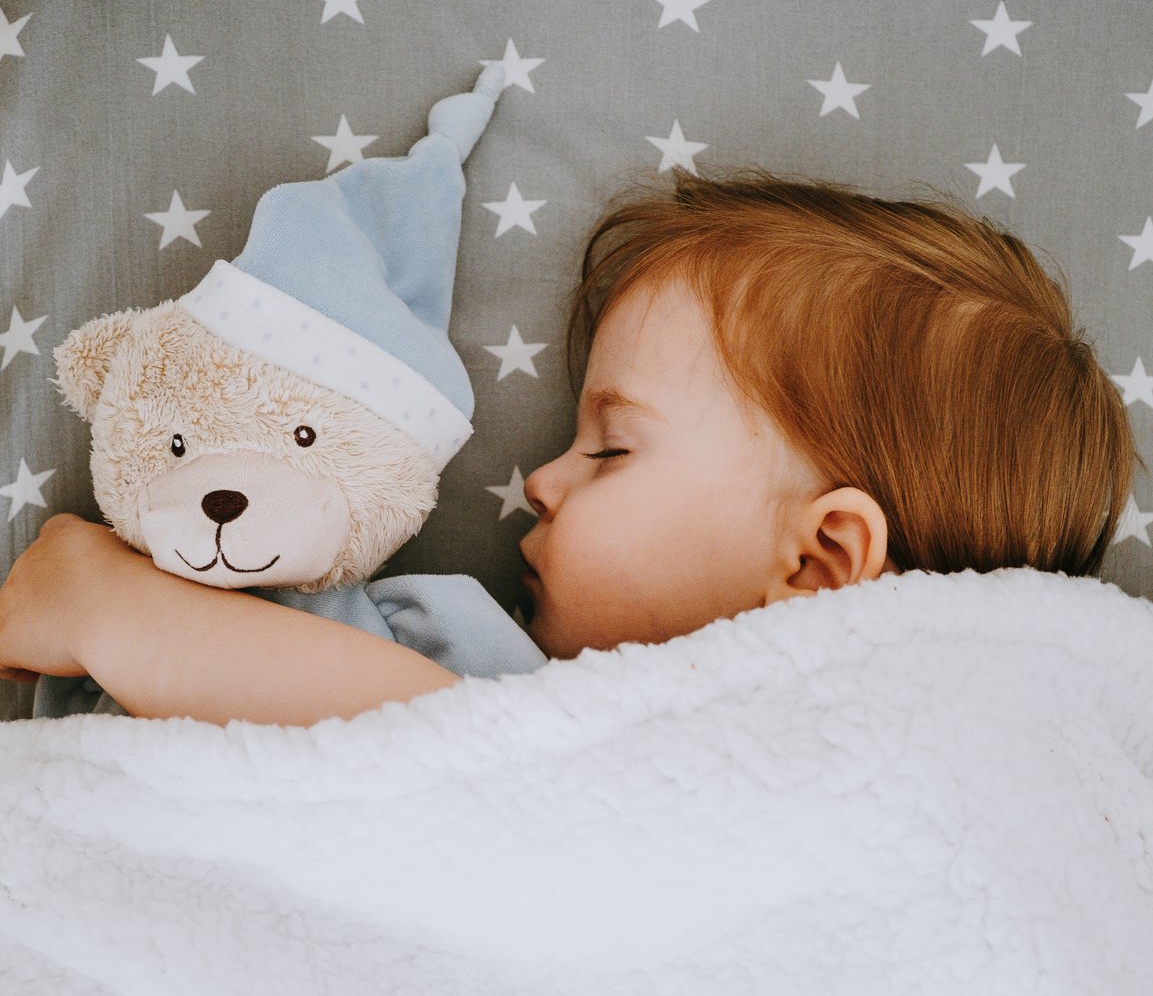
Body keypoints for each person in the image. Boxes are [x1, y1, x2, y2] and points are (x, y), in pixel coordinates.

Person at [0, 169, 1140, 725]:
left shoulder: (980, 718)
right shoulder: (527, 676)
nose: (538, 481)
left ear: (821, 561)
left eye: (610, 452)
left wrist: (112, 606)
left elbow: (414, 728)